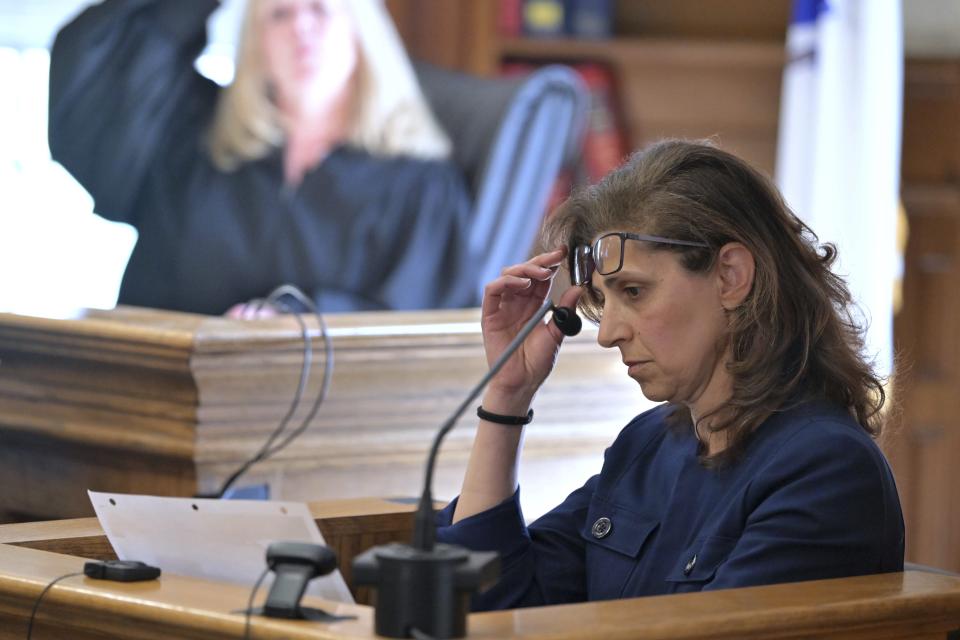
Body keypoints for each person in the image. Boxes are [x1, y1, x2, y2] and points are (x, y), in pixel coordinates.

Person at [436, 139, 904, 608]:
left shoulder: (825, 469)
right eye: (606, 299)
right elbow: (491, 607)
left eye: (634, 291)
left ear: (730, 277)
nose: (608, 333)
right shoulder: (647, 446)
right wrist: (507, 394)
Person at [49, 0, 476, 315]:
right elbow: (97, 69)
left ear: (361, 34)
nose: (300, 29)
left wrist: (302, 321)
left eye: (319, 10)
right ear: (255, 46)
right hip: (166, 404)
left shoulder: (420, 186)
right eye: (279, 15)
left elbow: (426, 328)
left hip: (334, 421)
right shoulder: (197, 146)